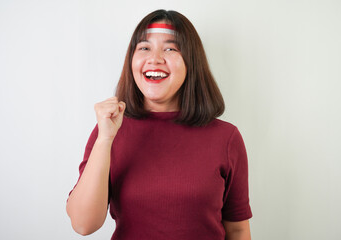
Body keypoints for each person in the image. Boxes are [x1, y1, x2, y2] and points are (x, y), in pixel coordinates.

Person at [66, 9, 252, 240]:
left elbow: (237, 230)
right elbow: (83, 225)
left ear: (190, 62)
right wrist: (105, 139)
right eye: (144, 47)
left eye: (170, 48)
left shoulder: (226, 138)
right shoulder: (109, 130)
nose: (154, 58)